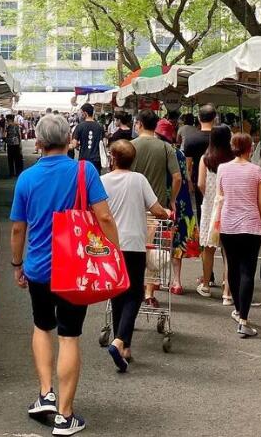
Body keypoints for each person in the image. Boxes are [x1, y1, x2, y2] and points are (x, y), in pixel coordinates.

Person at [10, 113, 119, 436]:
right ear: (69, 139)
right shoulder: (84, 172)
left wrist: (17, 265)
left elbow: (18, 228)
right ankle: (65, 415)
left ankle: (45, 394)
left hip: (39, 269)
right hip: (76, 268)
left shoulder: (27, 179)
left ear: (39, 142)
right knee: (69, 335)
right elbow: (105, 217)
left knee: (42, 327)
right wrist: (115, 255)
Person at [101, 139, 171, 370]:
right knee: (134, 293)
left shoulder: (102, 181)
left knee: (117, 292)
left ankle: (125, 347)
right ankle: (120, 340)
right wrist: (167, 214)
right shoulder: (139, 180)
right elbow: (155, 209)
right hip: (134, 243)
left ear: (112, 158)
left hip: (110, 245)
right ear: (134, 160)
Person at [216, 133, 261, 338]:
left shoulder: (222, 169)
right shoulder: (257, 171)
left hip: (228, 225)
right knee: (247, 272)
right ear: (250, 148)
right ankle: (243, 319)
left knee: (232, 268)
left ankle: (238, 310)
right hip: (251, 226)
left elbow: (220, 195)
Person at [131, 110, 180, 307]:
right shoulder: (166, 148)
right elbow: (177, 177)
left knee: (132, 250)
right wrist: (172, 199)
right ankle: (149, 293)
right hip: (156, 208)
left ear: (140, 124)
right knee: (153, 251)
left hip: (132, 207)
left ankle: (132, 288)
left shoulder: (130, 146)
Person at [155, 119, 199, 295]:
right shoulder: (179, 154)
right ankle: (177, 282)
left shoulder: (158, 152)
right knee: (178, 240)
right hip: (181, 200)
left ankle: (156, 279)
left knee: (157, 239)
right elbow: (185, 177)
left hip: (161, 199)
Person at [196, 123, 233, 299]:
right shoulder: (233, 159)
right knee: (228, 250)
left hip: (210, 206)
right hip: (229, 206)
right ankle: (228, 287)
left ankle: (205, 285)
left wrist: (208, 196)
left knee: (208, 247)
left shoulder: (206, 158)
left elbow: (200, 183)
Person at [71, 104, 104, 169]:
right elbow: (104, 142)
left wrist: (78, 145)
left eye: (81, 113)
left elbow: (74, 144)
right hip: (97, 159)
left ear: (85, 113)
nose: (80, 115)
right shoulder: (100, 126)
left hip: (84, 159)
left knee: (84, 178)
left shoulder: (80, 126)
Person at [5, 114, 24, 178]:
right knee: (15, 159)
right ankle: (16, 172)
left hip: (13, 144)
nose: (6, 120)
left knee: (12, 159)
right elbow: (19, 135)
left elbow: (19, 135)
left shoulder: (14, 126)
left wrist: (20, 144)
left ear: (9, 119)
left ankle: (13, 173)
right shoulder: (12, 126)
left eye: (7, 119)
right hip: (14, 144)